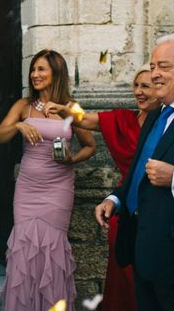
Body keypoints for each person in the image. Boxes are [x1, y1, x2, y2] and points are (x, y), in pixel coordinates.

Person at [44, 64, 159, 311]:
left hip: (158, 211)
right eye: (136, 86)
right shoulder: (122, 119)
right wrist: (66, 109)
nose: (139, 92)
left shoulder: (165, 125)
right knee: (123, 276)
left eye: (146, 86)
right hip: (125, 208)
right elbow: (85, 119)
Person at [0, 49, 96, 311]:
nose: (35, 74)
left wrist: (71, 161)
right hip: (28, 188)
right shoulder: (23, 105)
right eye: (33, 69)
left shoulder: (71, 107)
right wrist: (18, 126)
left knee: (52, 250)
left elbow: (90, 146)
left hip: (58, 188)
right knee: (25, 249)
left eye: (42, 69)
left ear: (56, 73)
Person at [95, 35, 174, 311]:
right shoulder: (154, 116)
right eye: (153, 66)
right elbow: (137, 174)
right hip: (142, 249)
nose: (155, 74)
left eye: (163, 66)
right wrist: (114, 200)